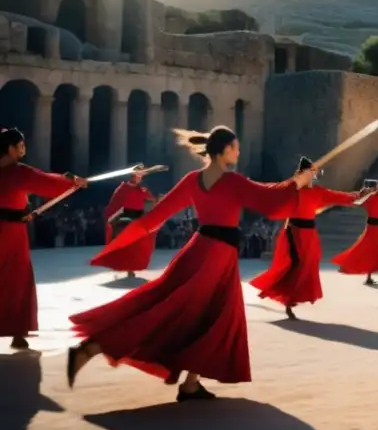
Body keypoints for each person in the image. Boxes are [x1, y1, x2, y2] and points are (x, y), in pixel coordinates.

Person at [66, 125, 315, 402]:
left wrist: (120, 240)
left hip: (199, 250)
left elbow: (154, 218)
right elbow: (270, 199)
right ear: (223, 151)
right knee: (185, 313)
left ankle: (191, 383)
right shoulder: (233, 182)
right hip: (216, 257)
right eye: (235, 147)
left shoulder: (192, 180)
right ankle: (92, 347)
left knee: (193, 313)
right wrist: (298, 182)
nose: (239, 151)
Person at [0, 127, 86, 350]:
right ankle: (17, 330)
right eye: (20, 146)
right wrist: (72, 181)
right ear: (10, 149)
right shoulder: (18, 172)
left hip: (12, 226)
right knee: (16, 280)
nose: (23, 150)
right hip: (10, 234)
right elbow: (47, 183)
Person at [250, 156, 362, 319]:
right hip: (294, 232)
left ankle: (294, 296)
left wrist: (360, 194)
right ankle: (286, 297)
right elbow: (271, 192)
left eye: (313, 174)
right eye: (309, 173)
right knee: (296, 264)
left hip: (310, 234)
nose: (312, 176)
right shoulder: (291, 190)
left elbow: (341, 197)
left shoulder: (318, 192)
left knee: (310, 263)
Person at [91, 169, 158, 277]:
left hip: (137, 218)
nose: (139, 179)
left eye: (140, 177)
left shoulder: (142, 189)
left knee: (137, 245)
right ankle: (127, 267)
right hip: (125, 217)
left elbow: (151, 199)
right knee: (127, 244)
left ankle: (130, 267)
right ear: (132, 176)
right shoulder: (123, 188)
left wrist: (157, 198)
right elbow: (115, 203)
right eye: (137, 176)